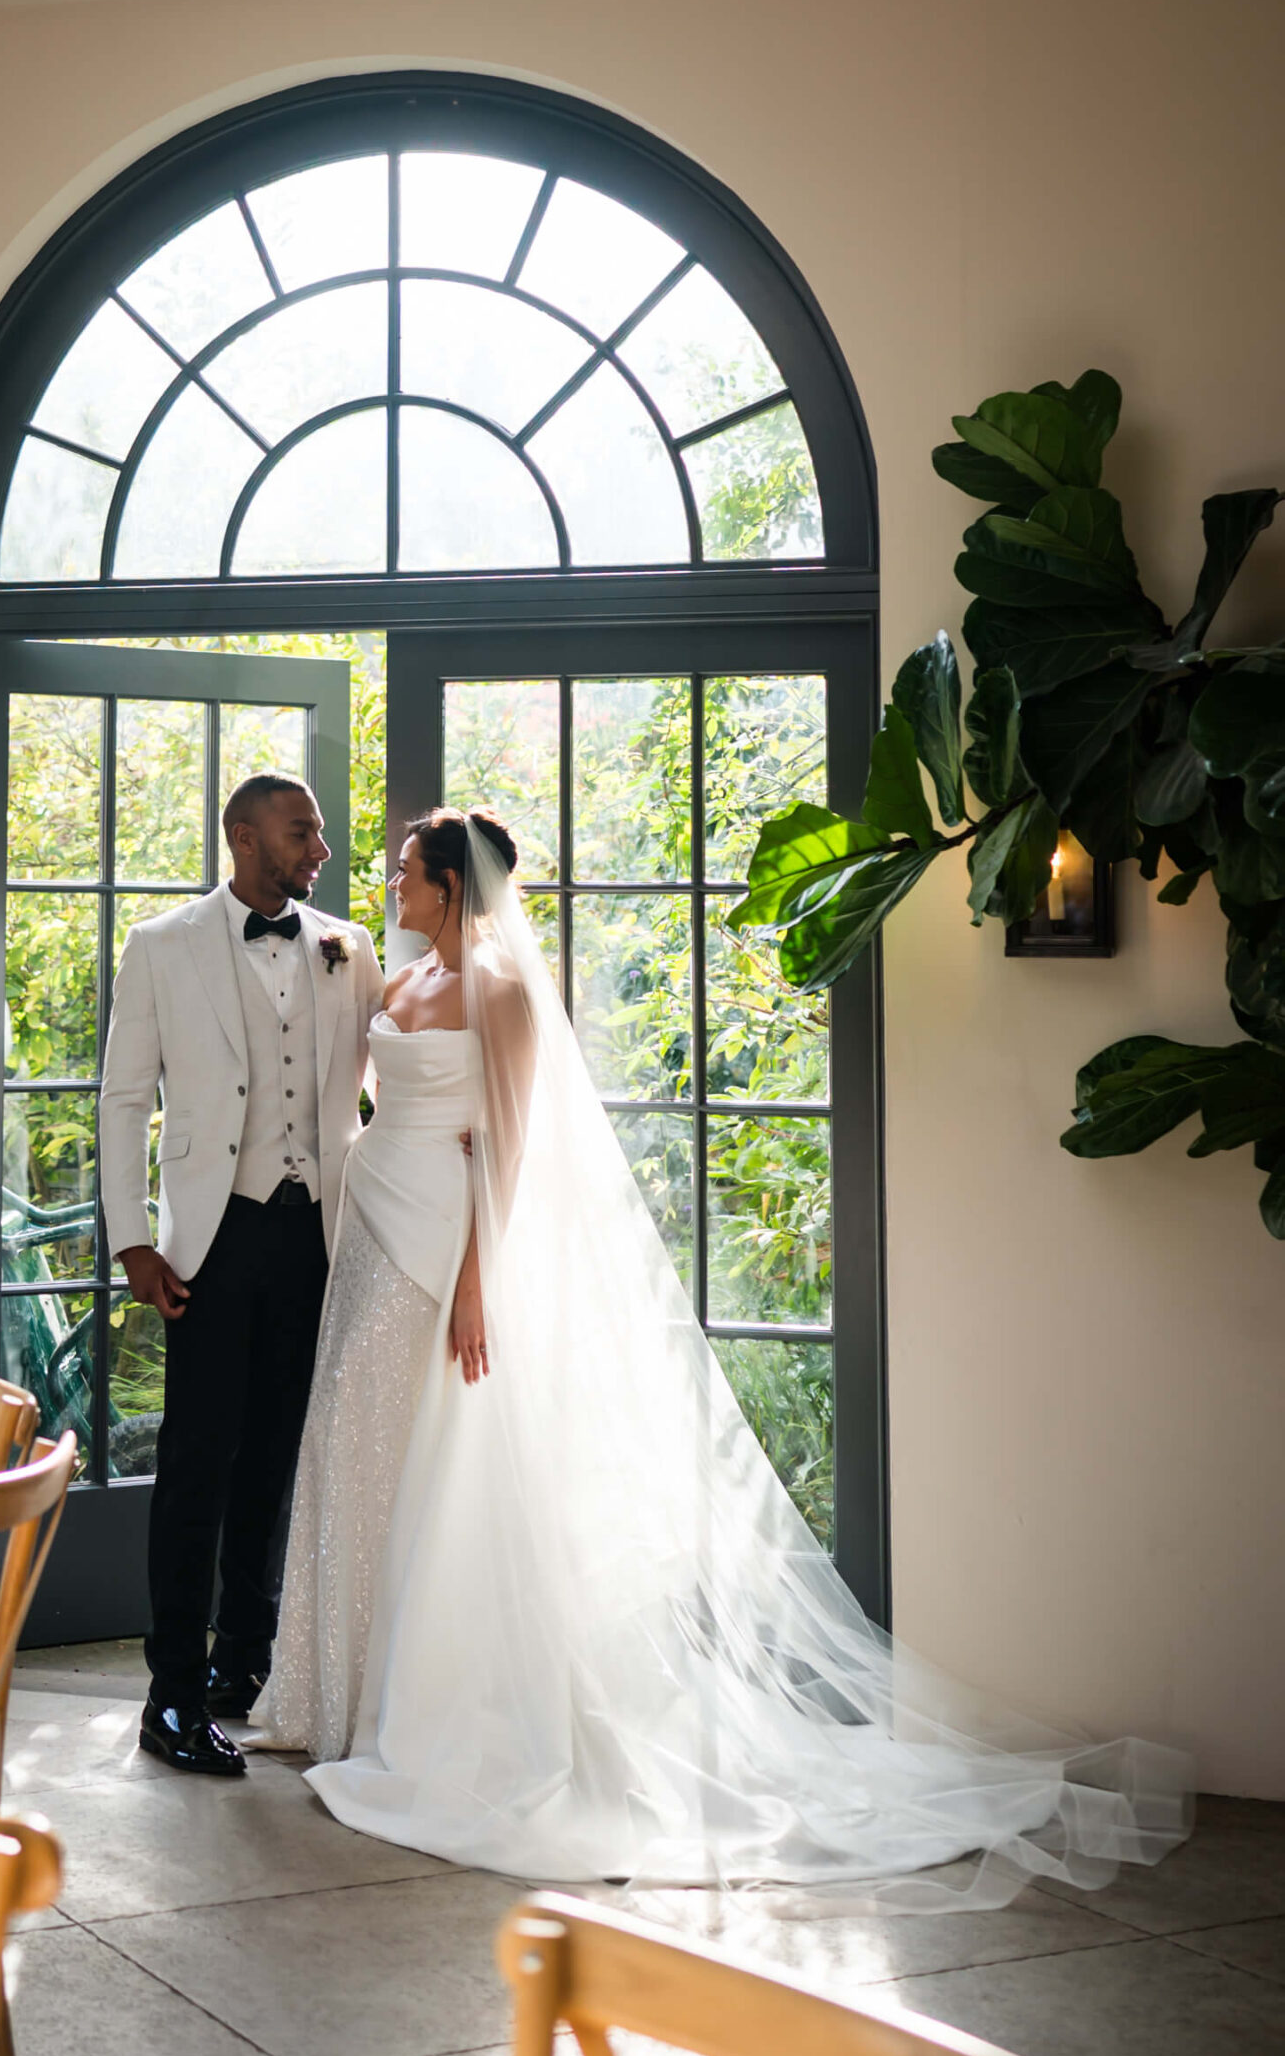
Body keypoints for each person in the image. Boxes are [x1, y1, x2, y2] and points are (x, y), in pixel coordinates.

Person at [254, 808, 1191, 1911]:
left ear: (453, 887)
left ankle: (420, 1711)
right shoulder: (392, 976)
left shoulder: (503, 992)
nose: (389, 883)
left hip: (442, 1243)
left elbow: (513, 1148)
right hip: (375, 1227)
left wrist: (475, 1281)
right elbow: (381, 1086)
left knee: (438, 1477)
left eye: (408, 871)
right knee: (360, 1452)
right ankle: (329, 1690)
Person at [99, 771, 383, 1777]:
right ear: (242, 833)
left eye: (316, 833)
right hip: (212, 1243)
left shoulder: (350, 949)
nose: (320, 848)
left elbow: (375, 1094)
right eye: (302, 830)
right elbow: (125, 1099)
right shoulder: (162, 946)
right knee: (196, 1467)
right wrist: (134, 1239)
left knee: (276, 1461)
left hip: (319, 1239)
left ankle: (245, 1668)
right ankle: (168, 1695)